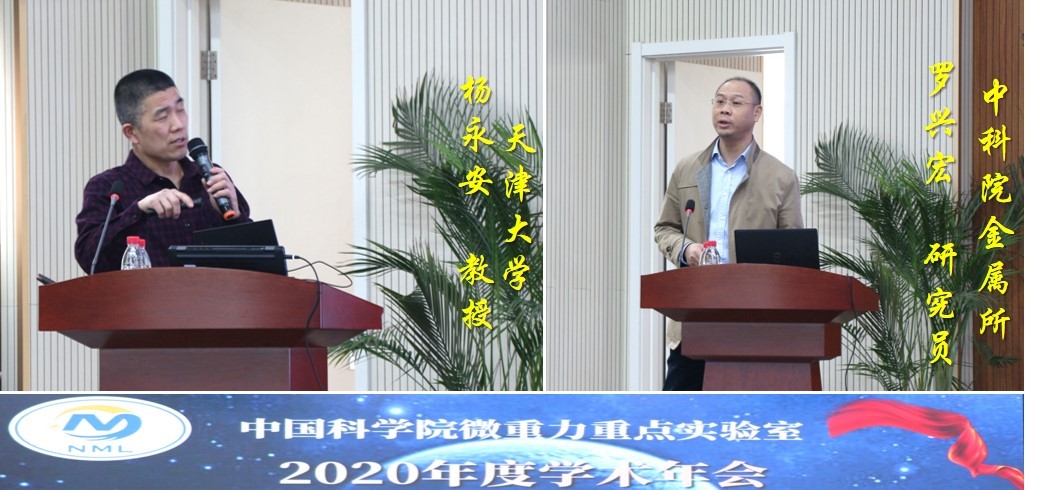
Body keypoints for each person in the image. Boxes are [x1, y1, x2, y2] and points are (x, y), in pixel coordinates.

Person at [652, 77, 803, 391]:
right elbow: (665, 228)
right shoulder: (687, 168)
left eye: (735, 102)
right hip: (694, 317)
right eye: (719, 101)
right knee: (681, 411)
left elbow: (794, 254)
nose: (724, 109)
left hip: (752, 322)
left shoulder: (780, 177)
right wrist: (686, 249)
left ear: (757, 113)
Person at [74, 69, 250, 273]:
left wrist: (235, 217)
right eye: (163, 117)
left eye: (180, 110)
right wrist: (139, 210)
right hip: (147, 295)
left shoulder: (211, 177)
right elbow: (90, 259)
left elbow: (257, 262)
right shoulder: (109, 187)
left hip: (213, 293)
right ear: (131, 133)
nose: (178, 125)